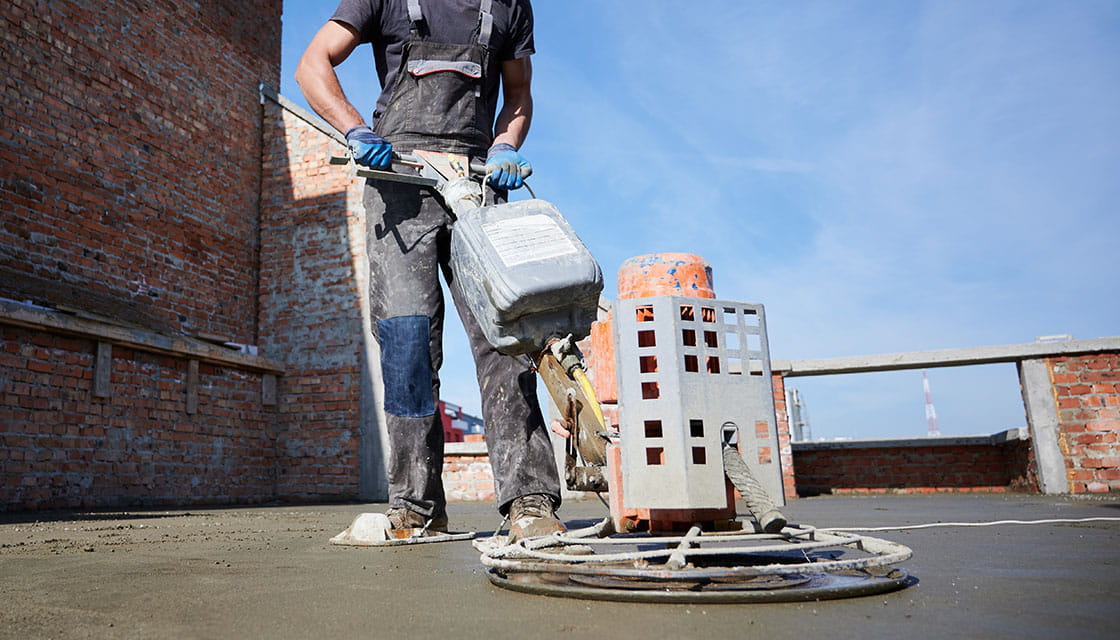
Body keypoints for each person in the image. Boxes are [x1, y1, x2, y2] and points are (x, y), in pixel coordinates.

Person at [296, 0, 562, 540]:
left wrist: (506, 144)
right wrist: (355, 130)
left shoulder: (508, 5)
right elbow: (312, 63)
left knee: (504, 339)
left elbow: (518, 95)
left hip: (475, 188)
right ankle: (416, 507)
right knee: (407, 343)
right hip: (399, 185)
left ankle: (529, 503)